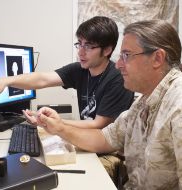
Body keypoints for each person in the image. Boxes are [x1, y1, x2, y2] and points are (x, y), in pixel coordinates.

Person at [34, 19, 182, 189]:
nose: (118, 65)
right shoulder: (143, 103)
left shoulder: (178, 104)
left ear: (157, 58)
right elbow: (104, 139)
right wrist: (59, 128)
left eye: (126, 55)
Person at [0, 16, 134, 130]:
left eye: (88, 46)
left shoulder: (118, 79)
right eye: (79, 44)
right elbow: (42, 79)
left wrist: (49, 122)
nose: (81, 52)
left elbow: (98, 124)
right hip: (86, 136)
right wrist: (5, 81)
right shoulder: (80, 69)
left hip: (106, 149)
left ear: (107, 50)